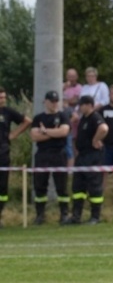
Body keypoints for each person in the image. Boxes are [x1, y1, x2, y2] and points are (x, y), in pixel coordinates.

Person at [30, 91, 72, 225]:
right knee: (40, 185)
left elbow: (64, 132)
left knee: (62, 186)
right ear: (45, 101)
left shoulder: (63, 116)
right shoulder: (38, 118)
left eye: (56, 101)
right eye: (51, 101)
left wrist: (45, 131)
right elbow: (34, 136)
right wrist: (54, 133)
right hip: (42, 154)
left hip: (58, 153)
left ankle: (64, 215)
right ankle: (40, 215)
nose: (54, 104)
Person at [66, 95, 108, 225]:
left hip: (92, 156)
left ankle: (95, 216)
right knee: (78, 187)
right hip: (82, 156)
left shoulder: (95, 117)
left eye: (82, 105)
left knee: (94, 186)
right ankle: (76, 216)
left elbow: (104, 128)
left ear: (89, 105)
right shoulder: (83, 118)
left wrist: (95, 140)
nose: (79, 107)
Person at [0, 87, 32, 227]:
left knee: (2, 188)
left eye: (4, 97)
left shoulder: (8, 112)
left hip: (3, 153)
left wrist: (14, 134)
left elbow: (27, 121)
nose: (3, 100)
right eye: (0, 97)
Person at [63, 68, 82, 166]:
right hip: (66, 116)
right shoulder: (63, 86)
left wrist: (65, 101)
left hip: (75, 117)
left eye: (73, 76)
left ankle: (76, 165)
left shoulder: (79, 87)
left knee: (76, 143)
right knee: (68, 144)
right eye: (69, 76)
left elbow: (76, 100)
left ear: (77, 77)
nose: (71, 78)